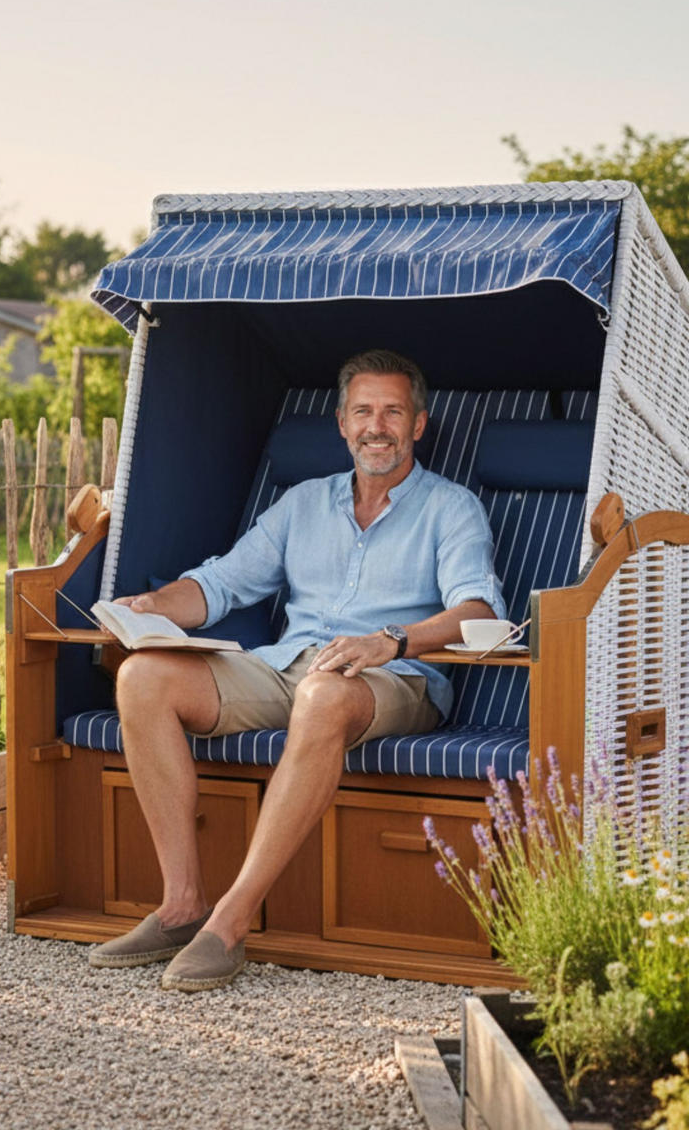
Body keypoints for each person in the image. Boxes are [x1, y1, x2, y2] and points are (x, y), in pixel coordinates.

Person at [87, 349, 506, 992]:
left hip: (396, 679)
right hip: (291, 668)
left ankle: (230, 922)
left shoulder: (453, 508)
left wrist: (391, 640)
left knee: (324, 696)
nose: (376, 426)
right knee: (142, 677)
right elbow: (221, 584)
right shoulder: (302, 503)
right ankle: (182, 905)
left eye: (393, 412)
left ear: (418, 424)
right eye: (362, 411)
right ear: (341, 423)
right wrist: (151, 605)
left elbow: (478, 609)